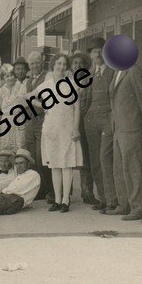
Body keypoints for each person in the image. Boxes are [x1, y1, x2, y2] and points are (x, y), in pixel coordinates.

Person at [29, 52, 84, 212]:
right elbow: (29, 98)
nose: (61, 67)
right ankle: (57, 199)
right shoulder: (46, 85)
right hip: (51, 128)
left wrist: (75, 128)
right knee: (54, 164)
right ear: (53, 66)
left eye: (64, 65)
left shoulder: (71, 84)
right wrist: (43, 106)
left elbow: (77, 108)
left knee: (66, 164)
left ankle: (66, 200)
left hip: (67, 128)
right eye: (58, 64)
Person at [108, 59, 142, 220]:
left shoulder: (133, 70)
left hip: (131, 127)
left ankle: (138, 207)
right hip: (118, 128)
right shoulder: (117, 72)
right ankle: (123, 205)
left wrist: (140, 124)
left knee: (133, 168)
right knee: (119, 168)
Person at [82, 37, 115, 212]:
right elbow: (84, 99)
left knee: (106, 159)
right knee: (95, 161)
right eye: (95, 51)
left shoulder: (112, 71)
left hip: (107, 119)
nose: (98, 54)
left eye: (101, 50)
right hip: (91, 120)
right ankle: (103, 198)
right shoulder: (89, 73)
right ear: (91, 55)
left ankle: (112, 200)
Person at [21, 51, 51, 200]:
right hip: (29, 121)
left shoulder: (47, 77)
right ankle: (38, 188)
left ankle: (48, 189)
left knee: (42, 156)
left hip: (42, 120)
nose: (34, 66)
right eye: (32, 63)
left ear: (42, 62)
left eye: (37, 62)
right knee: (31, 156)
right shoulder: (27, 80)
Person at [71, 50, 97, 206]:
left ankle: (87, 192)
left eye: (81, 63)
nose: (78, 66)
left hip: (84, 124)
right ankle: (62, 194)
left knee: (85, 159)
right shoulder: (67, 81)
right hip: (68, 124)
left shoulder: (89, 80)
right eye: (75, 63)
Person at [0, 63, 26, 151]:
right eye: (7, 76)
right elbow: (1, 108)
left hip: (18, 118)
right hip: (6, 120)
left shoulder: (21, 87)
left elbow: (24, 104)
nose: (10, 78)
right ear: (3, 78)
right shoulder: (1, 91)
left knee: (19, 145)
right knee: (6, 146)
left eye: (12, 75)